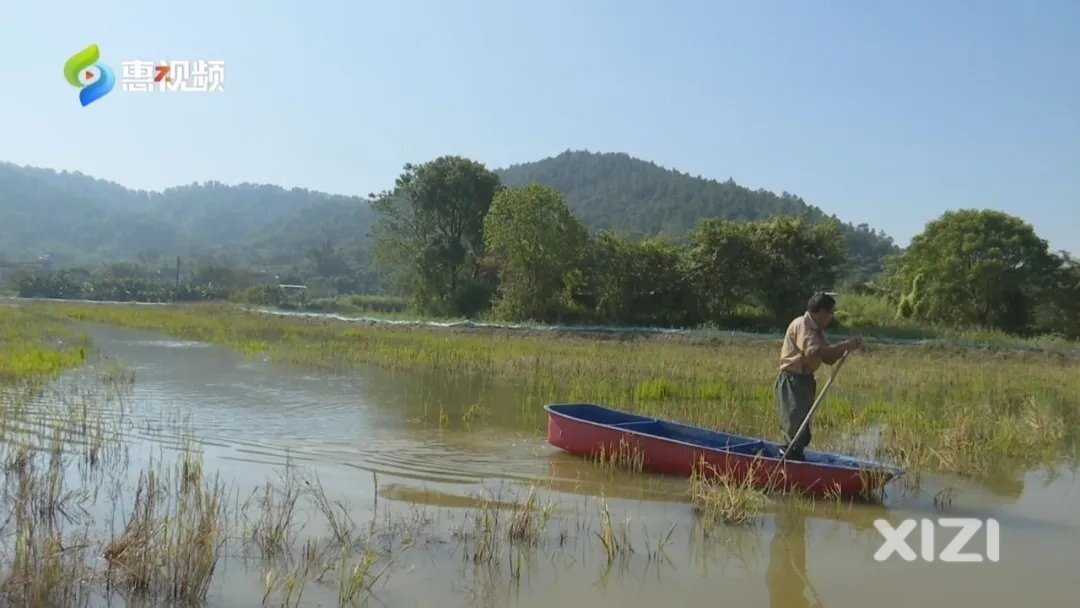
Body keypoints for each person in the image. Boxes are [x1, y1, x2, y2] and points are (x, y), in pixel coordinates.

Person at [775, 293, 861, 460]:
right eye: (830, 313)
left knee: (803, 428)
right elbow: (815, 351)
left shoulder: (818, 331)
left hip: (805, 381)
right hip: (793, 380)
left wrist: (847, 349)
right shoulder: (803, 325)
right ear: (822, 311)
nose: (830, 318)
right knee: (794, 426)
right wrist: (845, 345)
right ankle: (787, 461)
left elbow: (827, 358)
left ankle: (795, 457)